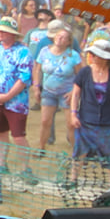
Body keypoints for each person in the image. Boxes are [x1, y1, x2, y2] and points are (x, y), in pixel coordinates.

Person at [0, 16, 34, 174]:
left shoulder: (23, 52)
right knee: (0, 133)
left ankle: (25, 168)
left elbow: (24, 78)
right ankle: (1, 164)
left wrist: (8, 96)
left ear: (12, 34)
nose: (0, 34)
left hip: (16, 102)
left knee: (18, 136)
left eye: (4, 31)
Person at [68, 31, 110, 165]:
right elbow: (76, 94)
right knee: (80, 153)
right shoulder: (85, 72)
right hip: (86, 121)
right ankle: (73, 179)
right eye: (91, 54)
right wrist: (73, 114)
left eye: (95, 54)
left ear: (105, 57)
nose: (92, 57)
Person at [31, 22, 81, 155]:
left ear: (69, 41)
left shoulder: (73, 55)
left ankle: (75, 151)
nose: (60, 39)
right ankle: (41, 148)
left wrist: (74, 91)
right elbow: (37, 69)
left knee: (70, 123)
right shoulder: (44, 52)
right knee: (45, 121)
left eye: (64, 37)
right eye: (58, 36)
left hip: (67, 92)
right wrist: (36, 87)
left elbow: (80, 75)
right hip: (48, 91)